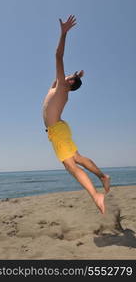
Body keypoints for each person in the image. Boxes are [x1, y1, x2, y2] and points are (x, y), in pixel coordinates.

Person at [42, 15, 110, 214]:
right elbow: (61, 79)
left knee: (71, 166)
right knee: (78, 158)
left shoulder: (62, 86)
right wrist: (77, 76)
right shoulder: (59, 87)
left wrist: (63, 34)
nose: (66, 75)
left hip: (57, 130)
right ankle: (103, 177)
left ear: (69, 83)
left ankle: (97, 195)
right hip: (60, 128)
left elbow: (58, 56)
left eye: (68, 76)